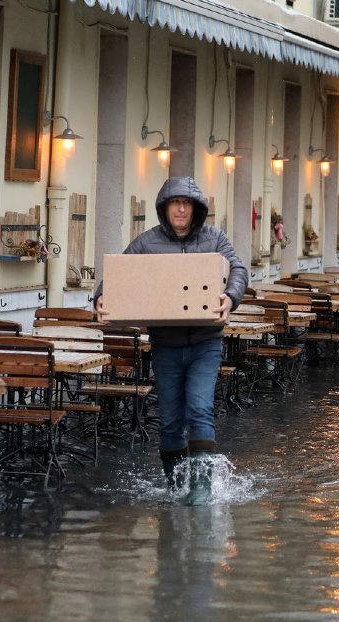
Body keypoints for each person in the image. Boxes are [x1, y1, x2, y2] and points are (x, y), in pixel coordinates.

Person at [96, 176, 248, 503]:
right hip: (165, 344)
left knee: (199, 408)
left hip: (205, 342)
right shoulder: (146, 243)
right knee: (169, 421)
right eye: (174, 202)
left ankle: (202, 492)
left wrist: (230, 296)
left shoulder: (214, 239)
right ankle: (176, 488)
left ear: (196, 208)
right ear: (164, 207)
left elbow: (238, 269)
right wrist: (101, 297)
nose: (180, 208)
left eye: (187, 202)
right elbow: (118, 276)